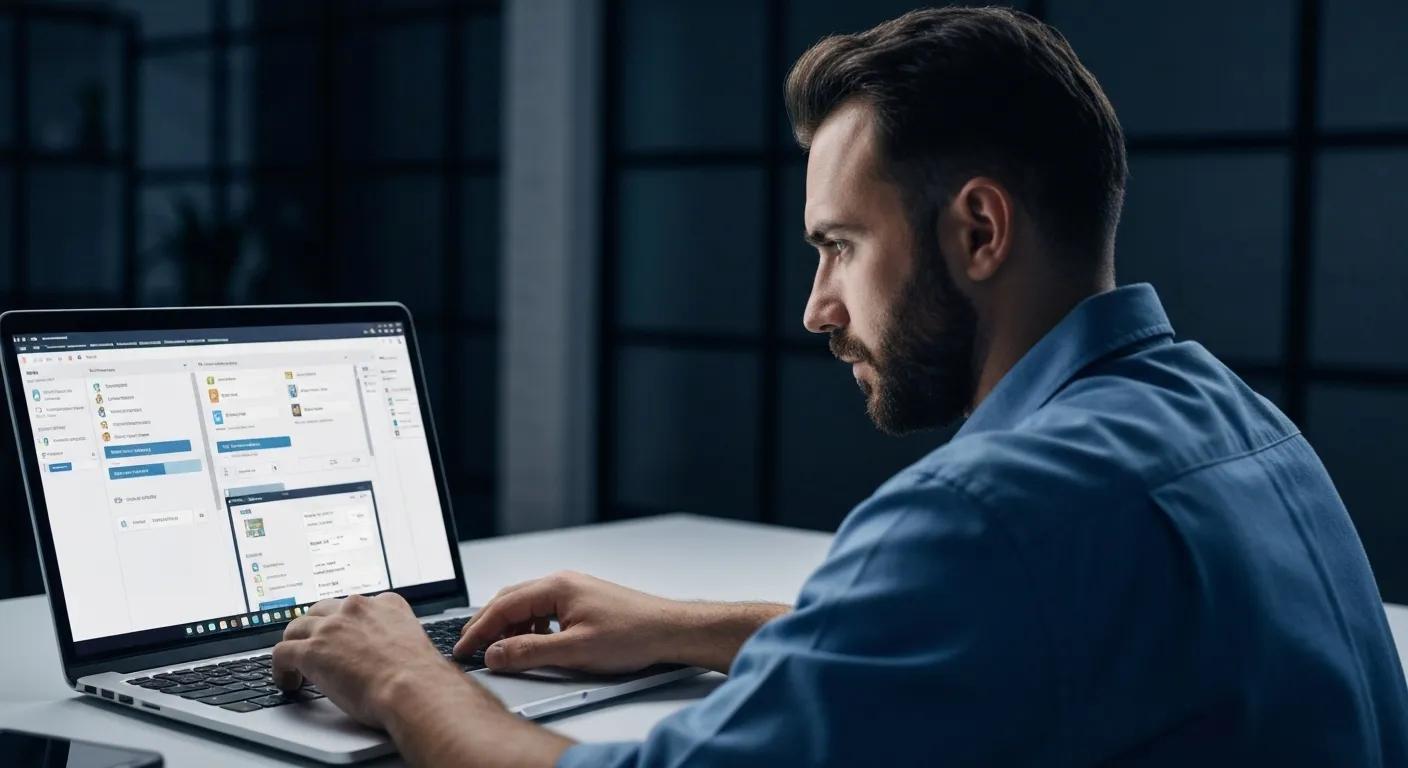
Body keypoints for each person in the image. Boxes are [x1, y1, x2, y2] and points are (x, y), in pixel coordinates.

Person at [270, 8, 1408, 766]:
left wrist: (398, 675)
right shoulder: (1233, 422)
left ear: (976, 227)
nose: (816, 308)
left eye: (839, 245)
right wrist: (682, 625)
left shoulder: (985, 514)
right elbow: (1028, 638)